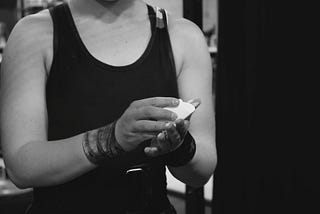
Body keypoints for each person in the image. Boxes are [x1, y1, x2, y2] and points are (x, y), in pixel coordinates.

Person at [0, 0, 216, 213]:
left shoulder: (183, 35)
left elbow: (202, 170)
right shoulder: (34, 34)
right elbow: (21, 166)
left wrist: (178, 147)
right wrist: (112, 138)